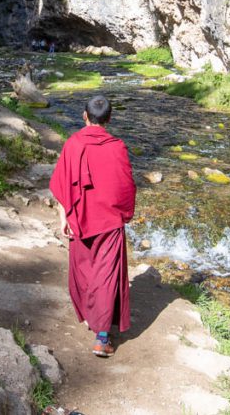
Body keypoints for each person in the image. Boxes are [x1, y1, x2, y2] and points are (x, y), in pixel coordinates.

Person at [49, 95, 136, 358]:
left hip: (80, 218)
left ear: (84, 116)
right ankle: (102, 337)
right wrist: (123, 215)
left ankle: (92, 317)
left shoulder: (74, 144)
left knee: (85, 269)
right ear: (109, 119)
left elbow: (61, 184)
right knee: (105, 275)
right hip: (108, 221)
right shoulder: (117, 146)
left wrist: (64, 217)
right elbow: (126, 187)